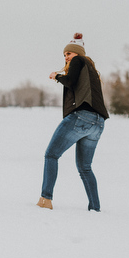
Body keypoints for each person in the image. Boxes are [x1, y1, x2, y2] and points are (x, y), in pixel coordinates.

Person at [37, 33, 109, 211]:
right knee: (85, 167)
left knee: (51, 155)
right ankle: (95, 208)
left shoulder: (78, 61)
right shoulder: (91, 69)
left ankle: (45, 199)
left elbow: (70, 81)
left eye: (68, 53)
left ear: (76, 53)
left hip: (82, 117)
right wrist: (78, 41)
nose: (66, 57)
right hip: (98, 123)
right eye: (64, 55)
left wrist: (56, 76)